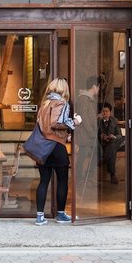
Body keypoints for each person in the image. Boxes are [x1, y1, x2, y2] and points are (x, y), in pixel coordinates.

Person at [34, 78, 81, 226]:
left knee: (43, 181)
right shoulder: (61, 103)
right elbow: (56, 123)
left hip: (42, 146)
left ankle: (40, 217)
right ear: (63, 89)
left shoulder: (44, 104)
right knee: (62, 180)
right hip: (56, 146)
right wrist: (75, 122)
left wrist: (64, 134)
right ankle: (60, 214)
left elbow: (42, 125)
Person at [75, 75, 100, 183]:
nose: (98, 90)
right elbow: (83, 117)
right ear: (94, 86)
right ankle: (80, 178)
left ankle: (85, 177)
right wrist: (91, 132)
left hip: (88, 133)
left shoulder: (88, 99)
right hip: (85, 134)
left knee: (95, 153)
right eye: (98, 87)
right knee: (84, 155)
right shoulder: (84, 99)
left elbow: (87, 115)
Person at [98, 102, 122, 184]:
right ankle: (112, 175)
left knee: (112, 146)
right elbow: (93, 134)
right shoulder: (98, 121)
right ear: (101, 112)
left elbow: (119, 135)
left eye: (107, 111)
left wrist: (113, 137)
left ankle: (104, 160)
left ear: (110, 112)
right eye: (103, 111)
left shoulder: (114, 121)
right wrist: (101, 136)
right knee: (112, 151)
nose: (105, 113)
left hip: (112, 142)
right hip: (101, 144)